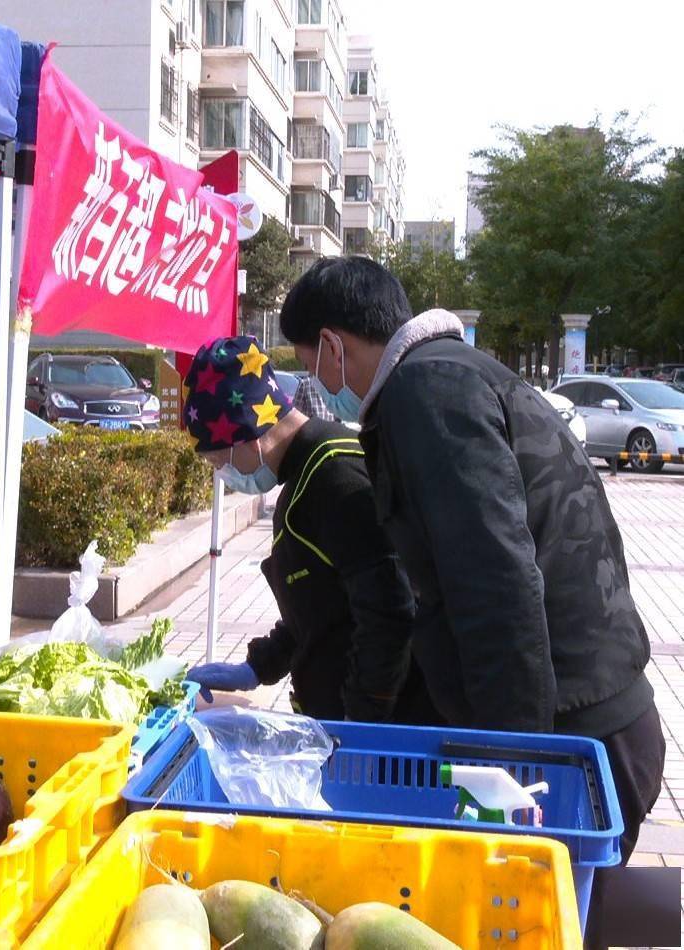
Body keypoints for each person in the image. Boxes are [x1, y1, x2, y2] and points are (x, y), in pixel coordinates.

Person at [277, 256, 664, 870]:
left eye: (309, 365)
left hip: (572, 742)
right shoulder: (453, 373)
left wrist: (514, 768)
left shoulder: (425, 393)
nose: (318, 383)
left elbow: (495, 584)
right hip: (588, 716)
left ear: (332, 344)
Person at [181, 336, 437, 724]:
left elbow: (389, 614)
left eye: (219, 458)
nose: (222, 472)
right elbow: (322, 607)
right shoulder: (304, 477)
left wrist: (359, 725)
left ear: (248, 434)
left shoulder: (335, 477)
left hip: (380, 732)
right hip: (336, 720)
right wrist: (259, 666)